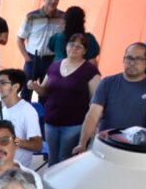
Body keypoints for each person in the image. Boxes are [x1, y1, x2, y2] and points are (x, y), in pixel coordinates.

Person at [74, 43, 146, 156]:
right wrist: (82, 143)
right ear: (123, 59)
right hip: (105, 144)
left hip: (135, 148)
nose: (132, 63)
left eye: (138, 59)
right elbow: (92, 115)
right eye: (129, 58)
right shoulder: (107, 83)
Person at [27, 33, 101, 164]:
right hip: (51, 121)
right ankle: (48, 184)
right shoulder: (54, 66)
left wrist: (94, 124)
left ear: (84, 51)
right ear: (66, 46)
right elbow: (45, 91)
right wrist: (35, 87)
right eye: (71, 45)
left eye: (79, 47)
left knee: (64, 160)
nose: (74, 48)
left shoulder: (90, 71)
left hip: (74, 124)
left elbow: (96, 100)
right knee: (52, 158)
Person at [17, 0, 64, 102]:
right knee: (26, 93)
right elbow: (19, 39)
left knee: (46, 94)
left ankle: (42, 119)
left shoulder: (64, 17)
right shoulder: (31, 16)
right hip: (32, 59)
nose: (54, 1)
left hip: (50, 60)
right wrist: (27, 58)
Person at [0, 69, 43, 168]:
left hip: (17, 169)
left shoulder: (27, 111)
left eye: (3, 83)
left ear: (15, 87)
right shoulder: (3, 110)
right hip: (1, 164)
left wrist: (14, 141)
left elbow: (37, 145)